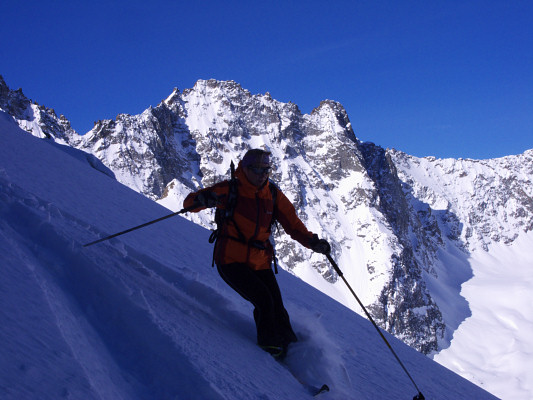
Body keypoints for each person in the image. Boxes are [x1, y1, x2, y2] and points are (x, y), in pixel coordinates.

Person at [183, 149, 331, 357]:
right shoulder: (229, 189)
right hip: (230, 259)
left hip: (259, 261)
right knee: (263, 300)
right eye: (257, 169)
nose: (263, 174)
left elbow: (293, 224)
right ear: (245, 169)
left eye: (266, 170)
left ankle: (293, 348)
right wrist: (203, 199)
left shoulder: (272, 194)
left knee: (277, 307)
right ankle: (270, 348)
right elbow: (189, 203)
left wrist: (312, 242)